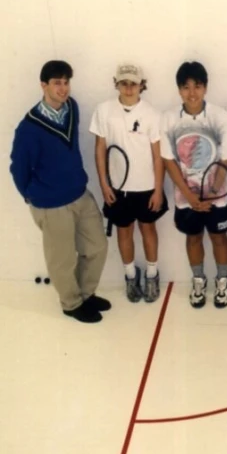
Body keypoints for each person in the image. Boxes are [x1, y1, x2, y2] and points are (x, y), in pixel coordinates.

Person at [10, 60, 110, 323]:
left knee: (97, 246)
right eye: (57, 83)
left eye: (66, 82)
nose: (63, 88)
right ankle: (71, 303)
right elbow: (18, 169)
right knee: (62, 260)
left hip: (79, 194)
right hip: (51, 205)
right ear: (43, 85)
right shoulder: (29, 128)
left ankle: (86, 295)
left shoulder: (72, 108)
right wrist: (33, 196)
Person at [90, 63, 167, 304]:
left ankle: (152, 275)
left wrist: (157, 189)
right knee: (124, 231)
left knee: (148, 230)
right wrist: (104, 185)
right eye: (124, 82)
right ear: (117, 84)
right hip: (117, 189)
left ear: (142, 85)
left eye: (133, 83)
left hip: (146, 188)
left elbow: (158, 156)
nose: (129, 87)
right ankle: (131, 276)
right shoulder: (103, 111)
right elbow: (100, 149)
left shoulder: (153, 115)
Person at [161, 61, 227, 309]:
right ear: (179, 90)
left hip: (218, 196)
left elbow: (226, 156)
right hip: (186, 197)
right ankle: (198, 280)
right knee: (193, 238)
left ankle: (223, 280)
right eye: (186, 87)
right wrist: (188, 195)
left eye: (198, 86)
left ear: (206, 87)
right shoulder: (169, 118)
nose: (192, 93)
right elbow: (168, 159)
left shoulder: (219, 116)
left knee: (219, 237)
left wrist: (213, 193)